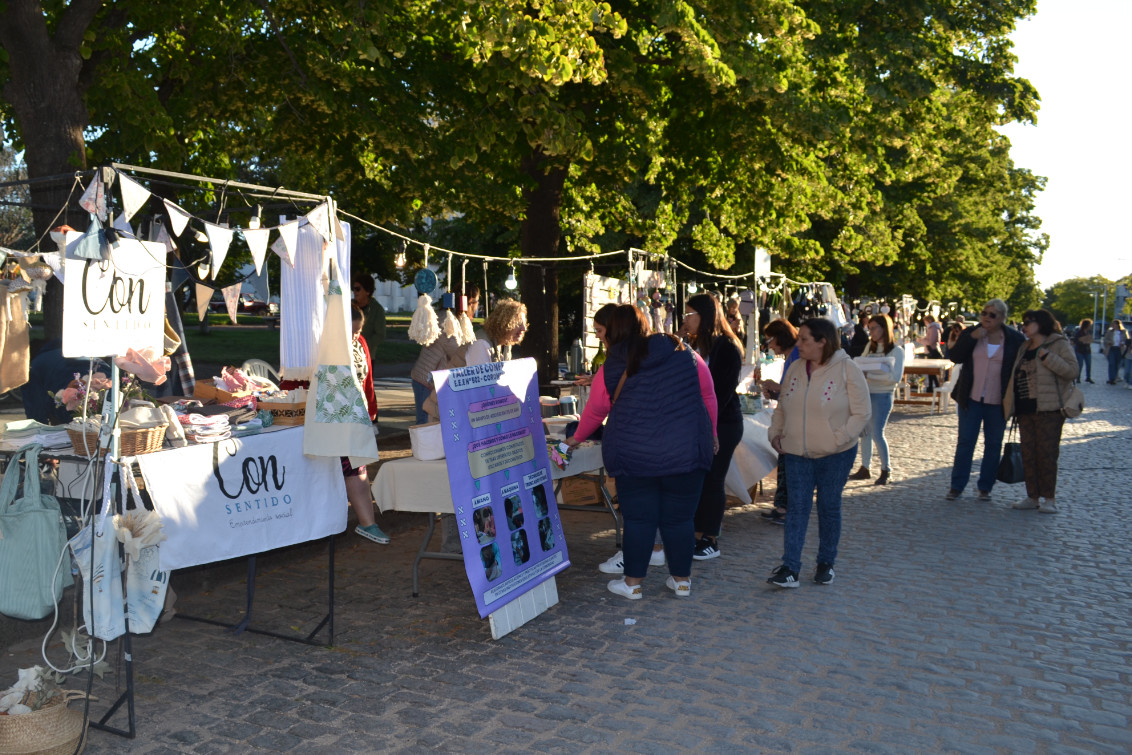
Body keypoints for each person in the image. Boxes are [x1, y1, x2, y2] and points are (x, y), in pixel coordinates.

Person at [565, 305, 717, 600]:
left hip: (634, 455)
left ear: (614, 331)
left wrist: (577, 438)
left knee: (638, 520)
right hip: (686, 452)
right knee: (680, 519)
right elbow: (708, 393)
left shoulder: (611, 365)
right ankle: (682, 581)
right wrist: (711, 434)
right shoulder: (683, 350)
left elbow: (596, 410)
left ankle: (632, 584)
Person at [766, 318, 870, 588]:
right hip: (797, 452)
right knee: (797, 507)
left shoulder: (848, 369)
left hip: (836, 453)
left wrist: (839, 438)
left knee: (828, 505)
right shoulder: (796, 368)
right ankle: (790, 568)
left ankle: (826, 562)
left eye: (804, 339)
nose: (798, 344)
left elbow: (862, 413)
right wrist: (775, 433)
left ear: (823, 341)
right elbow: (782, 407)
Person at [945, 298, 1025, 501]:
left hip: (998, 401)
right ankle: (957, 486)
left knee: (993, 445)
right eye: (984, 313)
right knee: (965, 442)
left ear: (1002, 318)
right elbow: (955, 356)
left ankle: (985, 487)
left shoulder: (1014, 339)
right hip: (970, 398)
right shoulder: (972, 333)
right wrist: (971, 337)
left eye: (992, 315)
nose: (987, 318)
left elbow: (1021, 368)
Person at [684, 293, 744, 561]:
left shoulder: (727, 346)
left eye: (689, 314)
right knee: (700, 479)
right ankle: (696, 533)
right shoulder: (697, 344)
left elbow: (721, 393)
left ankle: (710, 538)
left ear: (704, 315)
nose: (686, 320)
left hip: (724, 423)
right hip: (699, 422)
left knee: (713, 479)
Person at [1003, 310, 1077, 513]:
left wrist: (1048, 357)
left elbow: (1072, 371)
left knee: (1047, 454)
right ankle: (1032, 496)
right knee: (1028, 454)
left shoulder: (1058, 344)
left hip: (1049, 409)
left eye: (1029, 322)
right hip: (1025, 409)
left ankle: (1049, 499)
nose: (1024, 326)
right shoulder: (1024, 346)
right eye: (1024, 323)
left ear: (1041, 324)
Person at [346, 303, 390, 544]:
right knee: (354, 468)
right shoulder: (332, 348)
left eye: (359, 330)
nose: (356, 336)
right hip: (341, 418)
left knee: (358, 467)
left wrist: (372, 412)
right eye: (352, 331)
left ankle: (367, 523)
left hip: (359, 413)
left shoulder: (360, 344)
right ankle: (366, 522)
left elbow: (368, 379)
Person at [410, 285, 479, 423]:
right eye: (476, 301)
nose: (477, 306)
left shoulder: (454, 319)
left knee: (432, 423)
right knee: (425, 424)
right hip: (426, 380)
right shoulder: (447, 320)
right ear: (469, 301)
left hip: (430, 379)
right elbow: (457, 351)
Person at [850, 313, 905, 485]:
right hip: (866, 393)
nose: (871, 331)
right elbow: (860, 365)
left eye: (874, 328)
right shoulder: (870, 347)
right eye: (870, 328)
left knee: (877, 432)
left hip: (883, 395)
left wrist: (871, 374)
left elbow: (895, 377)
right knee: (865, 432)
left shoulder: (897, 351)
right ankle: (865, 467)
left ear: (884, 328)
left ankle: (886, 469)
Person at [757, 318, 800, 525]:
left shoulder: (798, 356)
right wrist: (775, 392)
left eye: (771, 340)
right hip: (790, 418)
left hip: (796, 421)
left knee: (789, 464)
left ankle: (785, 509)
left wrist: (777, 387)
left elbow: (798, 390)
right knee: (785, 464)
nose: (770, 346)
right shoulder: (791, 357)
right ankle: (782, 506)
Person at [466, 298, 527, 365]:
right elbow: (482, 374)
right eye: (519, 323)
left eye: (524, 324)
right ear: (505, 323)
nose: (524, 329)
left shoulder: (506, 344)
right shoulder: (481, 344)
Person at [352, 273, 387, 355]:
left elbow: (380, 335)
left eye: (358, 289)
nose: (354, 292)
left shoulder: (377, 310)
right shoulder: (349, 306)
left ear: (367, 291)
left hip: (367, 356)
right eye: (353, 289)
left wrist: (363, 347)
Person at [917, 314, 944, 390]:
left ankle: (934, 386)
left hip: (932, 351)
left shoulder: (933, 328)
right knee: (931, 371)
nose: (925, 323)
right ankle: (933, 386)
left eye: (925, 321)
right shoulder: (933, 328)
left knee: (931, 371)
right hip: (932, 350)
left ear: (929, 321)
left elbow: (930, 341)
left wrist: (921, 340)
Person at [1102, 319, 1126, 384]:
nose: (1113, 325)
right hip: (1111, 349)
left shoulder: (1123, 332)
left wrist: (1123, 343)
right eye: (1112, 324)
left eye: (1114, 324)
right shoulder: (1109, 332)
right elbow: (1105, 340)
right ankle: (1111, 378)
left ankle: (1115, 377)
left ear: (1118, 325)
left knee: (1117, 364)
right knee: (1111, 363)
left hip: (1119, 349)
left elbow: (1126, 340)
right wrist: (1109, 342)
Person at [1072, 318, 1094, 383]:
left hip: (1087, 350)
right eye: (1090, 325)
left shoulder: (1089, 332)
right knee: (1080, 365)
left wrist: (1089, 341)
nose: (1091, 326)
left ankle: (1088, 377)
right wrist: (1083, 342)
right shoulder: (1079, 332)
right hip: (1080, 350)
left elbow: (1091, 339)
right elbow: (1075, 340)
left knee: (1089, 364)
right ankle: (1078, 378)